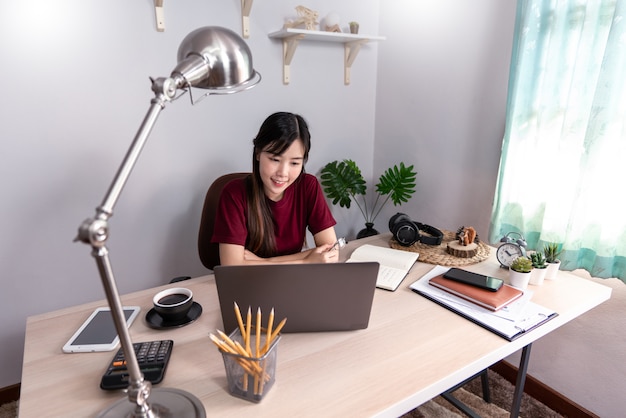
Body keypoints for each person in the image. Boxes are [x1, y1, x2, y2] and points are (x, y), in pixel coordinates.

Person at [211, 111, 339, 265]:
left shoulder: (308, 186)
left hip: (294, 281)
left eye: (294, 163)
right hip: (249, 284)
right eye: (275, 159)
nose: (283, 173)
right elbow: (232, 266)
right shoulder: (234, 194)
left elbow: (331, 251)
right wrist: (305, 261)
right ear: (258, 153)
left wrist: (262, 261)